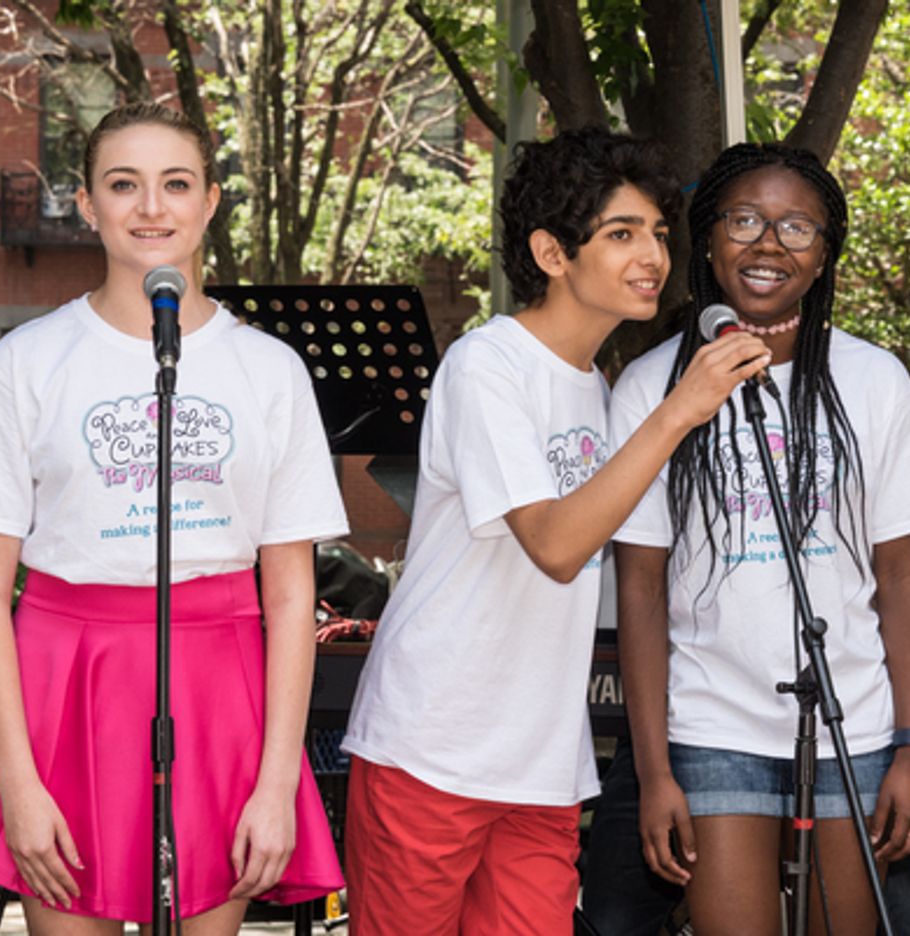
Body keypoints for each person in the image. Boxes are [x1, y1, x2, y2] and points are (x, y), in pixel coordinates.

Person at [340, 127, 774, 935]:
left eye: (655, 232)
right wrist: (681, 409)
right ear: (550, 252)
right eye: (621, 234)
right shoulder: (486, 364)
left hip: (539, 764)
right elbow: (556, 545)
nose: (652, 255)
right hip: (431, 746)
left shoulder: (598, 388)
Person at [0, 102, 346, 933]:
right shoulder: (27, 361)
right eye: (124, 185)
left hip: (221, 679)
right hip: (65, 675)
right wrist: (18, 783)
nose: (151, 208)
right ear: (87, 204)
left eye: (175, 184)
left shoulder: (270, 370)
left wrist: (274, 783)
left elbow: (292, 595)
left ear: (210, 202)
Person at [611, 142, 910, 936]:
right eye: (746, 220)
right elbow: (641, 590)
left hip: (853, 725)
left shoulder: (873, 382)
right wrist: (655, 771)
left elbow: (902, 579)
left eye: (798, 226)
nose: (769, 244)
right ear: (707, 238)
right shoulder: (651, 389)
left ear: (826, 251)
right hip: (712, 725)